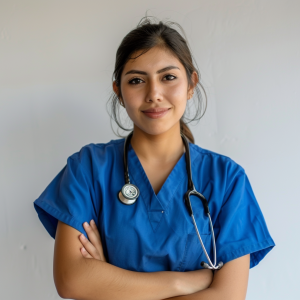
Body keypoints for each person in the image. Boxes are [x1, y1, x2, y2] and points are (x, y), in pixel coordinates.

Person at [33, 16, 275, 300]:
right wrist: (183, 283)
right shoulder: (87, 168)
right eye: (136, 80)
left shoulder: (227, 179)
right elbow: (71, 280)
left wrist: (109, 282)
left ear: (191, 84)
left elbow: (228, 296)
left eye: (168, 77)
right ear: (119, 92)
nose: (154, 94)